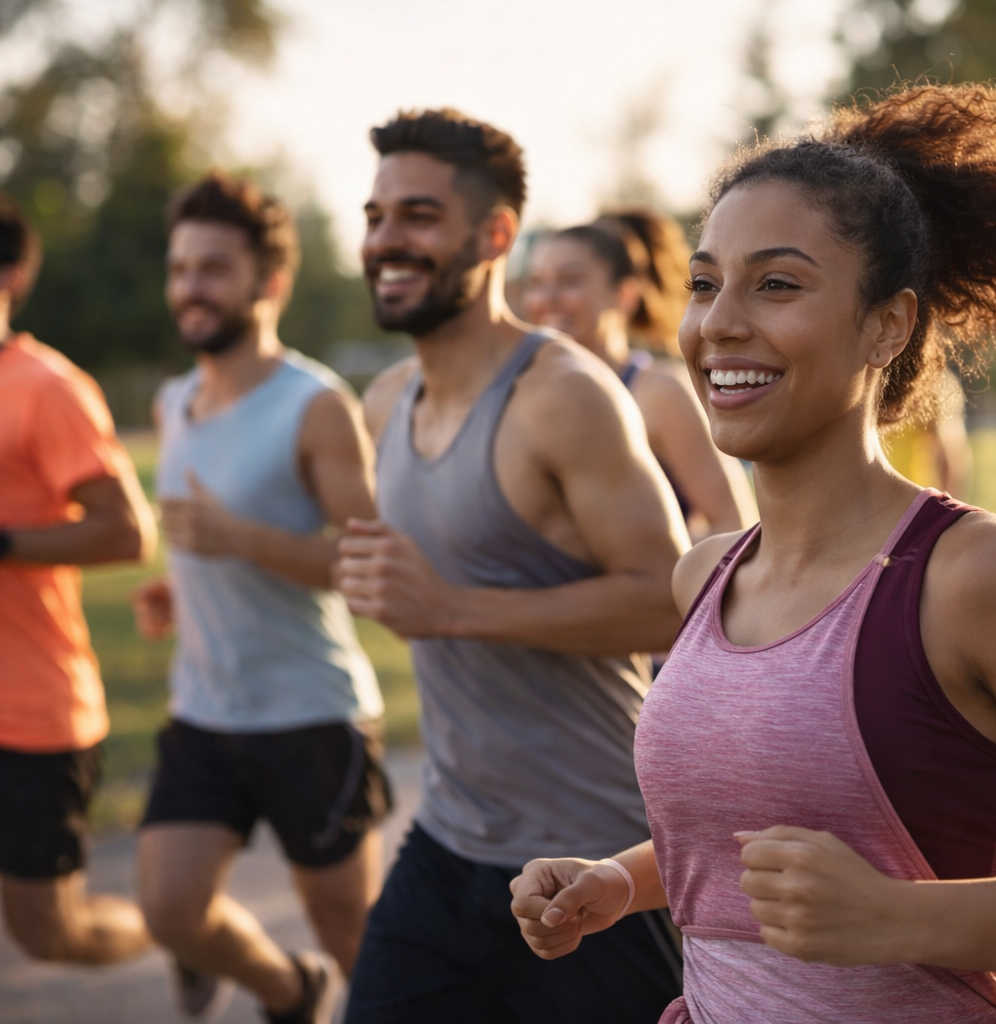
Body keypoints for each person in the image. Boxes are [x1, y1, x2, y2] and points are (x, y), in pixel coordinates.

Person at [510, 82, 996, 1024]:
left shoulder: (976, 579)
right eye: (703, 282)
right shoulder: (708, 574)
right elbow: (757, 845)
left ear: (887, 325)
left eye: (776, 283)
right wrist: (618, 879)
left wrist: (900, 919)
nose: (719, 321)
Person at [336, 109, 689, 1023]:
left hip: (594, 855)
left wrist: (451, 608)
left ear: (495, 234)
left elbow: (668, 600)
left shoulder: (564, 395)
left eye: (417, 215)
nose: (386, 240)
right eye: (376, 217)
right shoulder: (383, 404)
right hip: (449, 841)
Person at [130, 172, 388, 1024]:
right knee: (169, 909)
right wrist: (184, 582)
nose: (189, 289)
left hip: (309, 713)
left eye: (211, 269)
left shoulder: (315, 406)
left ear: (267, 282)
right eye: (179, 270)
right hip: (206, 710)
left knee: (358, 940)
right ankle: (292, 990)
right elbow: (212, 538)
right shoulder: (175, 401)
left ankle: (331, 981)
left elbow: (369, 567)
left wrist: (239, 541)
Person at [0, 195, 158, 966]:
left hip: (31, 709)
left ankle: (176, 930)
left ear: (15, 276)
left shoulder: (46, 387)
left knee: (46, 931)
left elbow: (129, 531)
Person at [524, 209, 756, 539]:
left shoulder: (659, 392)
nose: (547, 299)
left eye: (569, 281)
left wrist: (667, 577)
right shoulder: (522, 392)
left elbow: (733, 524)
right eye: (536, 283)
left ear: (625, 295)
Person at [880, 366, 972, 496]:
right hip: (884, 498)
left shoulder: (934, 383)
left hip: (916, 498)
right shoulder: (880, 376)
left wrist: (944, 509)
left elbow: (949, 455)